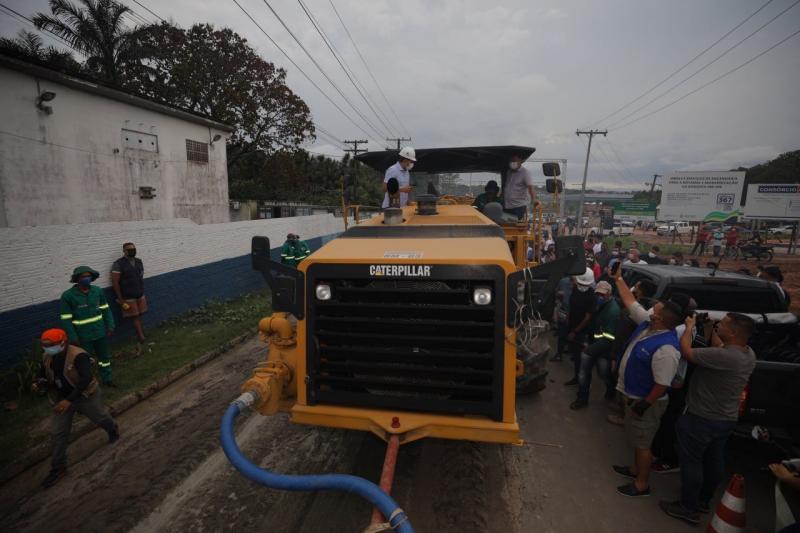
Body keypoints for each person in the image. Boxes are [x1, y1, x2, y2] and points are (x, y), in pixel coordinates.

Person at [659, 312, 757, 525]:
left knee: (692, 462)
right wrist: (710, 329)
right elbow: (719, 346)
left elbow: (686, 352)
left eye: (723, 324)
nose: (719, 325)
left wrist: (689, 327)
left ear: (732, 332)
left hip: (701, 417)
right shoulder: (747, 354)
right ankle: (703, 501)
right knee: (714, 460)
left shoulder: (724, 357)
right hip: (725, 419)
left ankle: (687, 507)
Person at [611, 271, 686, 497]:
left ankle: (641, 484)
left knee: (643, 443)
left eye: (656, 309)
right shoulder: (648, 325)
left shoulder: (667, 349)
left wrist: (645, 404)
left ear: (660, 318)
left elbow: (663, 383)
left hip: (644, 401)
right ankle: (634, 469)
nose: (651, 309)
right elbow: (630, 301)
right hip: (632, 394)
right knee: (636, 438)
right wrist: (618, 279)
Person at [33, 328, 119, 488]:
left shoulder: (78, 355)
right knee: (58, 433)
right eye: (45, 346)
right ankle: (58, 468)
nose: (48, 348)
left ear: (63, 342)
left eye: (51, 345)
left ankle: (112, 429)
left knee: (100, 417)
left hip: (86, 395)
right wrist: (39, 383)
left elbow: (86, 378)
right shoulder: (47, 357)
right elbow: (43, 375)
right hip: (62, 400)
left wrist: (70, 400)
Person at [60, 266, 115, 385]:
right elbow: (65, 319)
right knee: (85, 361)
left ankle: (107, 379)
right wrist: (73, 337)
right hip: (82, 336)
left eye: (88, 276)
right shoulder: (68, 296)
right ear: (77, 279)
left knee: (104, 357)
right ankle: (89, 383)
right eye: (83, 276)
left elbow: (105, 309)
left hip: (99, 332)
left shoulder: (97, 291)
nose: (86, 278)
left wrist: (110, 324)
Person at [571, 281, 620, 410]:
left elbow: (608, 339)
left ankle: (611, 390)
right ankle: (582, 398)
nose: (600, 297)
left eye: (603, 295)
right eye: (598, 294)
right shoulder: (598, 304)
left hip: (602, 349)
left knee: (604, 373)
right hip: (592, 343)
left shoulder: (613, 312)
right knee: (583, 373)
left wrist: (589, 349)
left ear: (609, 294)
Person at [563, 268, 596, 386]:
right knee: (576, 356)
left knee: (581, 359)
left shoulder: (591, 296)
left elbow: (587, 318)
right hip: (573, 327)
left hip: (582, 332)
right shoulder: (576, 290)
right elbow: (572, 306)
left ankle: (580, 380)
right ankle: (576, 377)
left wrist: (575, 331)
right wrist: (568, 318)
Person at [111, 242, 146, 342]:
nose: (132, 251)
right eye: (130, 249)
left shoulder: (139, 261)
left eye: (134, 249)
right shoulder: (118, 264)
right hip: (127, 295)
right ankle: (141, 337)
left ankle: (142, 333)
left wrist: (142, 289)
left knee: (141, 313)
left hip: (139, 292)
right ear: (124, 251)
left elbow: (140, 276)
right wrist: (120, 299)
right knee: (134, 316)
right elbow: (115, 283)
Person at [502, 152, 539, 219]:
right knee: (506, 223)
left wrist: (534, 199)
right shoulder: (509, 172)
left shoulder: (525, 173)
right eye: (511, 161)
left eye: (515, 161)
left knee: (515, 224)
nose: (513, 163)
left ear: (521, 161)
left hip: (519, 206)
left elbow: (530, 187)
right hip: (508, 205)